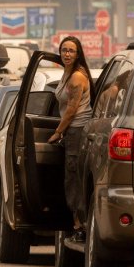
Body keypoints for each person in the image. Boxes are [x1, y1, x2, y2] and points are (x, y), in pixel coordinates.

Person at [48, 36, 94, 243]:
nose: (67, 54)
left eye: (71, 51)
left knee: (74, 180)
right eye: (64, 50)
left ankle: (80, 226)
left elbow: (72, 109)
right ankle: (76, 223)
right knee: (70, 179)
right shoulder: (66, 74)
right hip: (71, 132)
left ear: (78, 54)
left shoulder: (77, 77)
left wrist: (58, 131)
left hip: (76, 130)